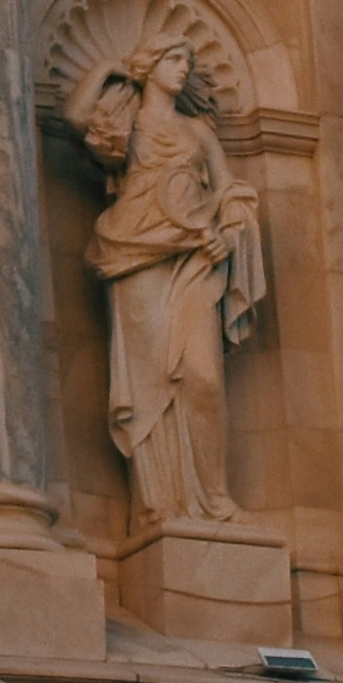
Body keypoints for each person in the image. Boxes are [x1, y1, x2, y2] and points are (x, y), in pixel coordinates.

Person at [78, 36, 267, 524]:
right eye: (173, 59)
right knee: (150, 383)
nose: (183, 68)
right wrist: (105, 70)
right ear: (150, 65)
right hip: (137, 253)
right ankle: (160, 502)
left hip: (194, 259)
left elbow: (230, 190)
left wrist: (229, 232)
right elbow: (80, 122)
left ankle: (212, 496)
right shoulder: (125, 117)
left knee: (202, 377)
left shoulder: (198, 130)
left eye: (188, 60)